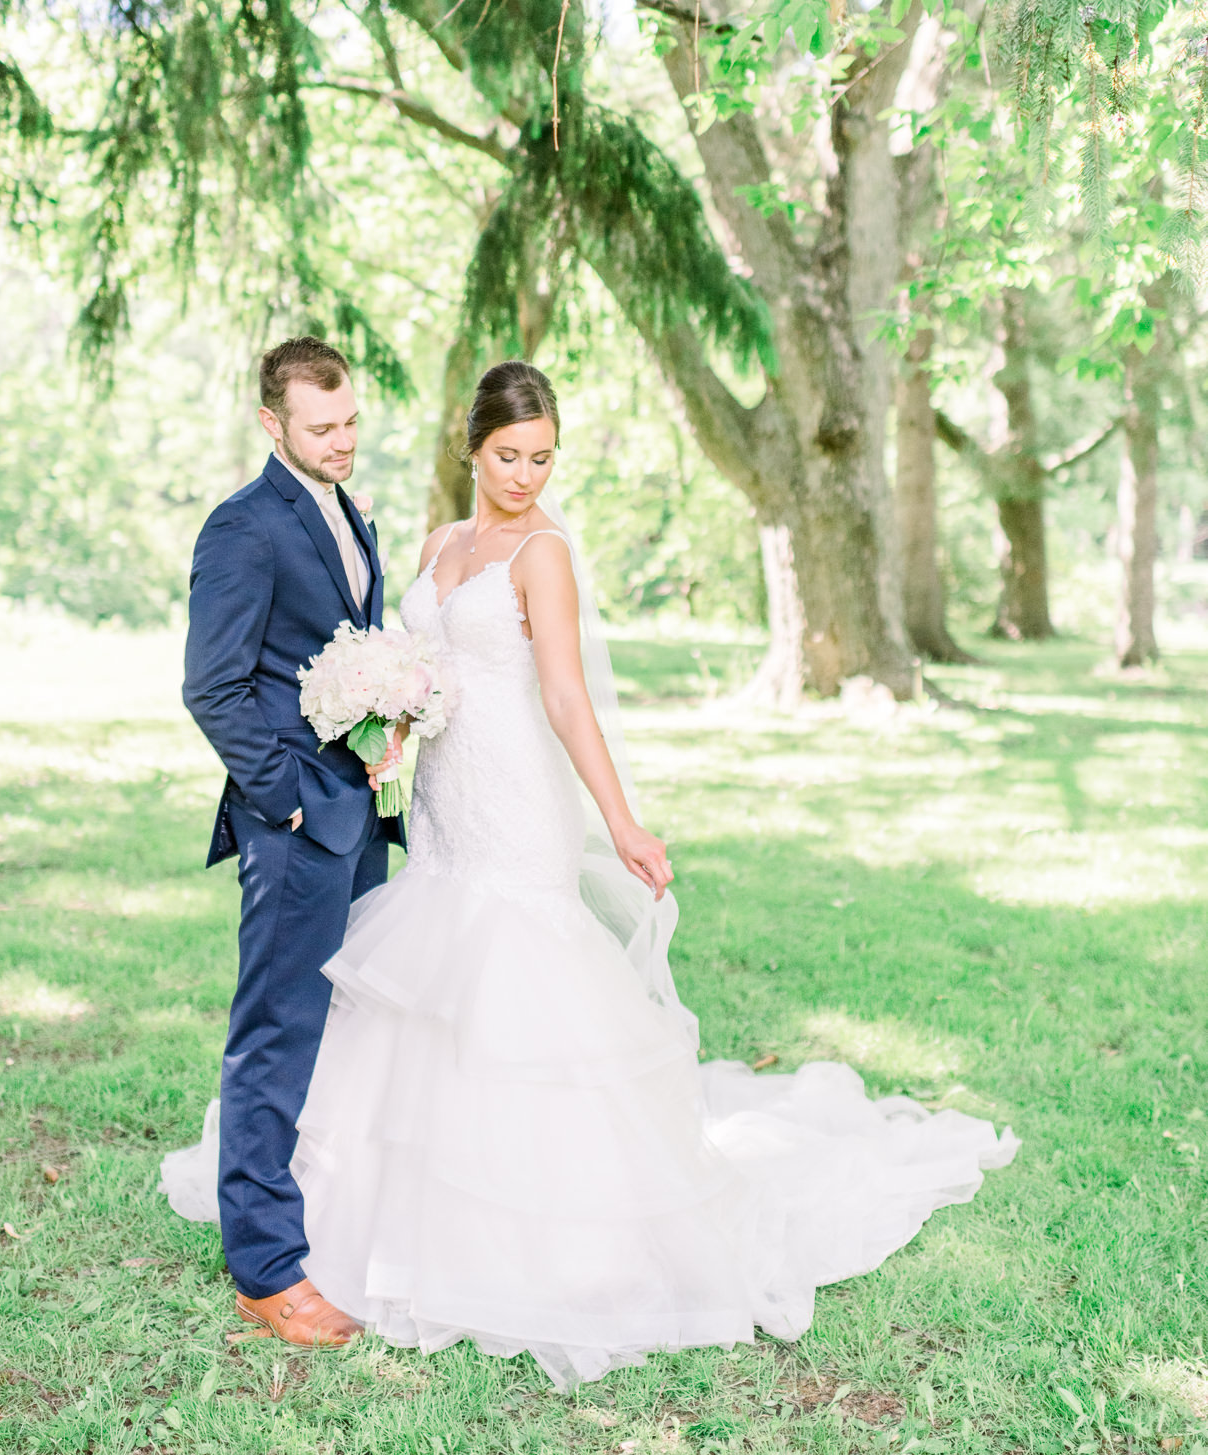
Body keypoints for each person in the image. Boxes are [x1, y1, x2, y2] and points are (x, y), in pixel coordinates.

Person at [166, 359, 1016, 1388]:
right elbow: (252, 676)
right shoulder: (410, 538)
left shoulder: (531, 550)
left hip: (508, 800)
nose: (524, 475)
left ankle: (528, 1237)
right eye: (506, 455)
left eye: (541, 458)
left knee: (513, 992)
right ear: (469, 450)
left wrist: (620, 822)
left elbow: (567, 699)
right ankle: (287, 1253)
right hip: (411, 809)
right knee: (354, 1008)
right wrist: (347, 756)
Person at [176, 336, 403, 1348]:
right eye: (322, 427)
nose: (343, 440)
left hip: (359, 815)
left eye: (351, 419)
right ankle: (266, 1271)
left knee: (345, 1027)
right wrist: (291, 804)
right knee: (274, 1035)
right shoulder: (243, 527)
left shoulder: (345, 510)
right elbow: (213, 685)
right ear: (273, 425)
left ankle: (333, 1214)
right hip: (298, 826)